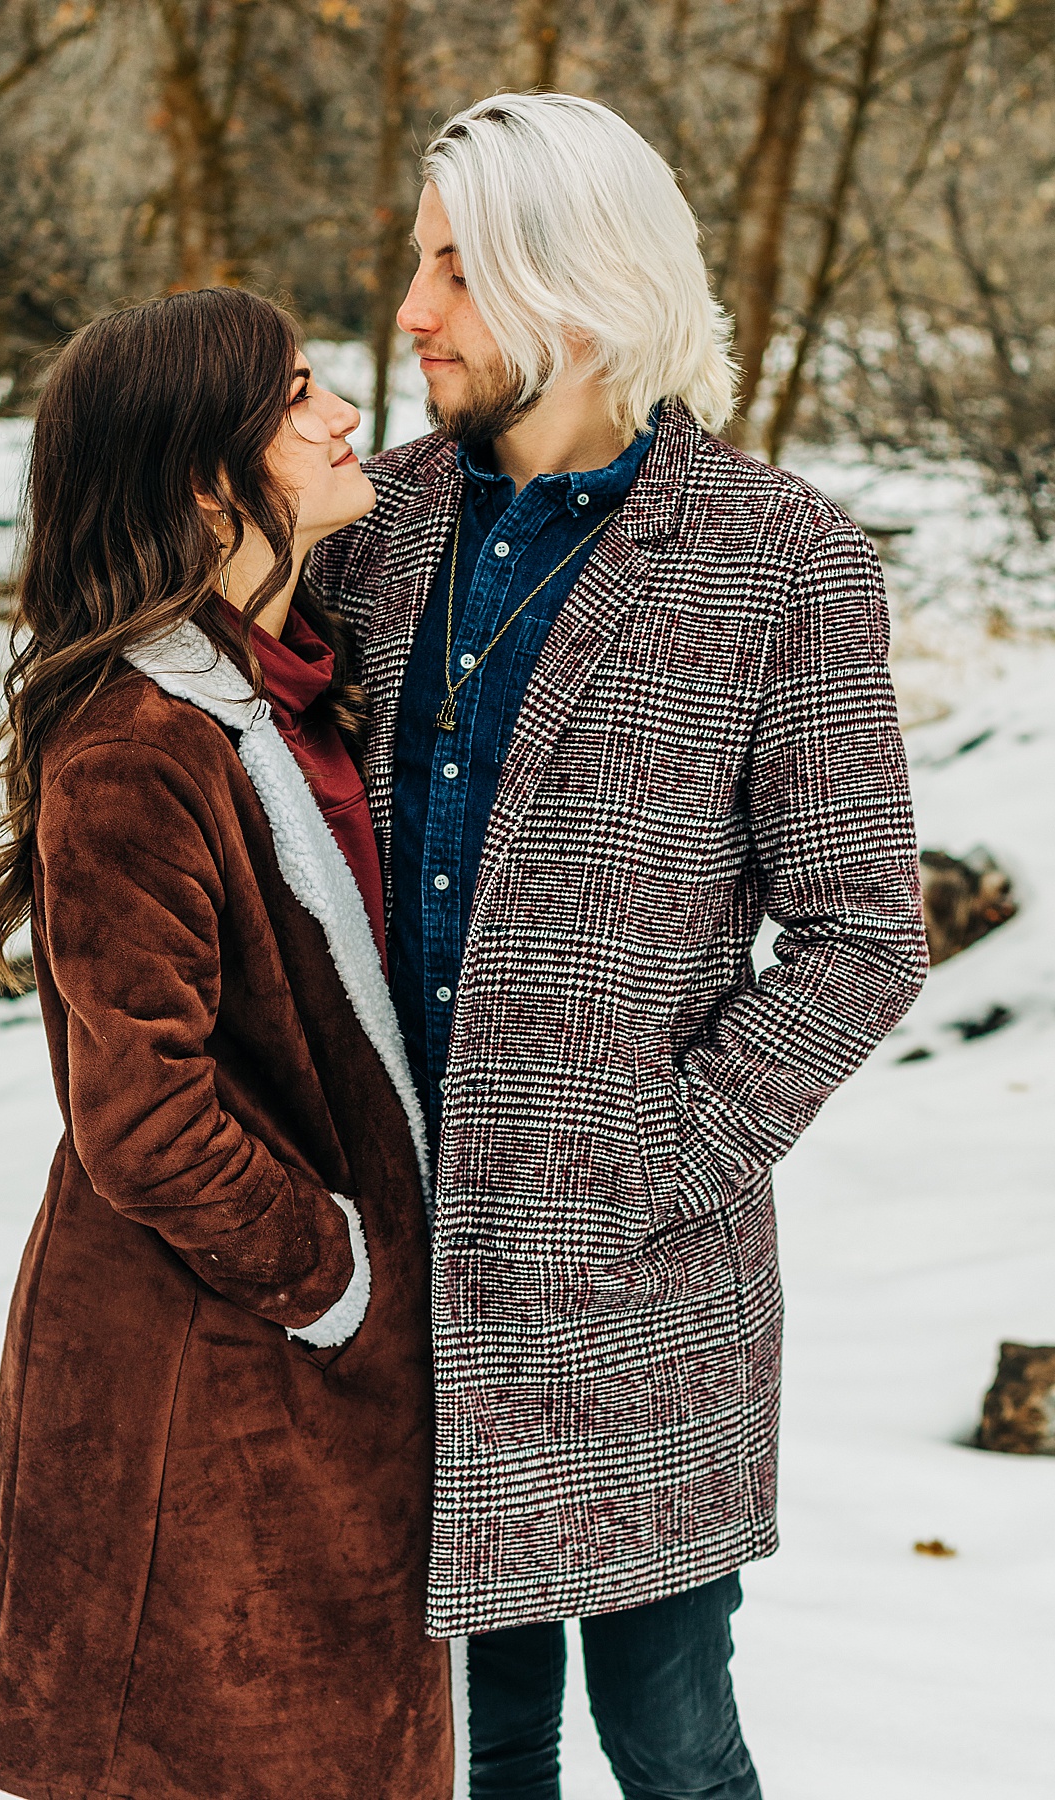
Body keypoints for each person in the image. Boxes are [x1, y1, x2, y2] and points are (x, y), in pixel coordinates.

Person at [308, 93, 929, 1800]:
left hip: (639, 1290)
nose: (412, 311)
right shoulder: (378, 531)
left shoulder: (775, 557)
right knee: (466, 1750)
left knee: (671, 1745)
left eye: (452, 268)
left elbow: (864, 931)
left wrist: (663, 1156)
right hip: (403, 1277)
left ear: (574, 285)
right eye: (414, 264)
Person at [0, 288, 452, 1800]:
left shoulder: (294, 684)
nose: (344, 414)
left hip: (311, 1399)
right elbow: (145, 1117)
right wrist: (342, 1282)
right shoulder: (135, 749)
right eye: (298, 395)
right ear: (199, 475)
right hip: (208, 1396)